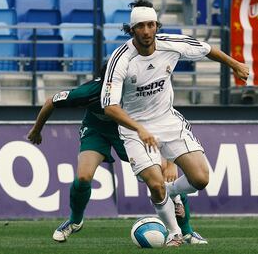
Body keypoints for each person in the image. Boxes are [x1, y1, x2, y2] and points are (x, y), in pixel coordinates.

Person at [101, 0, 249, 247]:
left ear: (156, 25)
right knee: (156, 184)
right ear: (132, 29)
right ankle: (173, 232)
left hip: (168, 120)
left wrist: (235, 64)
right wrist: (140, 129)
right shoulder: (121, 59)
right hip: (134, 129)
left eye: (151, 25)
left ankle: (173, 193)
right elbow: (110, 107)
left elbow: (206, 49)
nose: (147, 31)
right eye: (140, 26)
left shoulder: (172, 44)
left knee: (200, 179)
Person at [27, 64, 207, 244]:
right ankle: (75, 221)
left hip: (129, 132)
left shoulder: (138, 91)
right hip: (96, 131)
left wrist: (171, 163)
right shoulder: (89, 91)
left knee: (164, 177)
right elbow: (51, 101)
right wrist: (36, 130)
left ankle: (186, 231)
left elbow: (164, 121)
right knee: (83, 177)